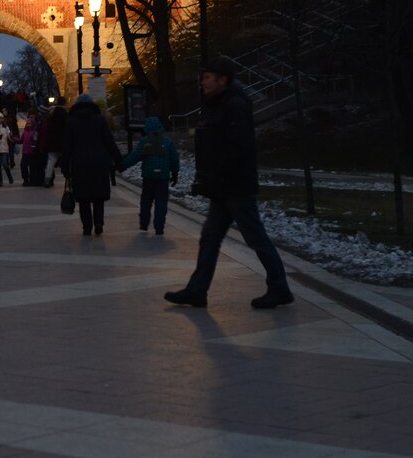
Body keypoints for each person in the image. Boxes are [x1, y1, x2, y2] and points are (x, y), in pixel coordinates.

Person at [164, 57, 295, 310]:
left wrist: (219, 173)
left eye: (207, 77)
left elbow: (238, 147)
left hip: (235, 186)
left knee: (255, 237)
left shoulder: (235, 106)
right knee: (210, 237)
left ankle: (279, 288)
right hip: (223, 188)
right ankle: (196, 291)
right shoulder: (219, 105)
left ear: (222, 80)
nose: (202, 83)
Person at [61, 93, 122, 235]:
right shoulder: (100, 120)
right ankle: (99, 223)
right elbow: (109, 142)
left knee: (83, 198)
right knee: (98, 196)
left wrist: (65, 166)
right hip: (99, 162)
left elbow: (66, 147)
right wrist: (118, 159)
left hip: (79, 164)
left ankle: (87, 226)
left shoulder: (71, 122)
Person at [120, 116, 180, 235]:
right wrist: (175, 173)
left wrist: (123, 165)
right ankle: (159, 227)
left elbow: (134, 156)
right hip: (163, 177)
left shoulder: (144, 141)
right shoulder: (168, 142)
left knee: (146, 200)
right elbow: (174, 159)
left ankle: (143, 224)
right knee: (161, 202)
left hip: (148, 176)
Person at [43, 98, 67, 187]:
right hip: (62, 142)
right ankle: (68, 179)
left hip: (52, 142)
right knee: (66, 161)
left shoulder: (51, 114)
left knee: (51, 162)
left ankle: (47, 179)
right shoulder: (65, 114)